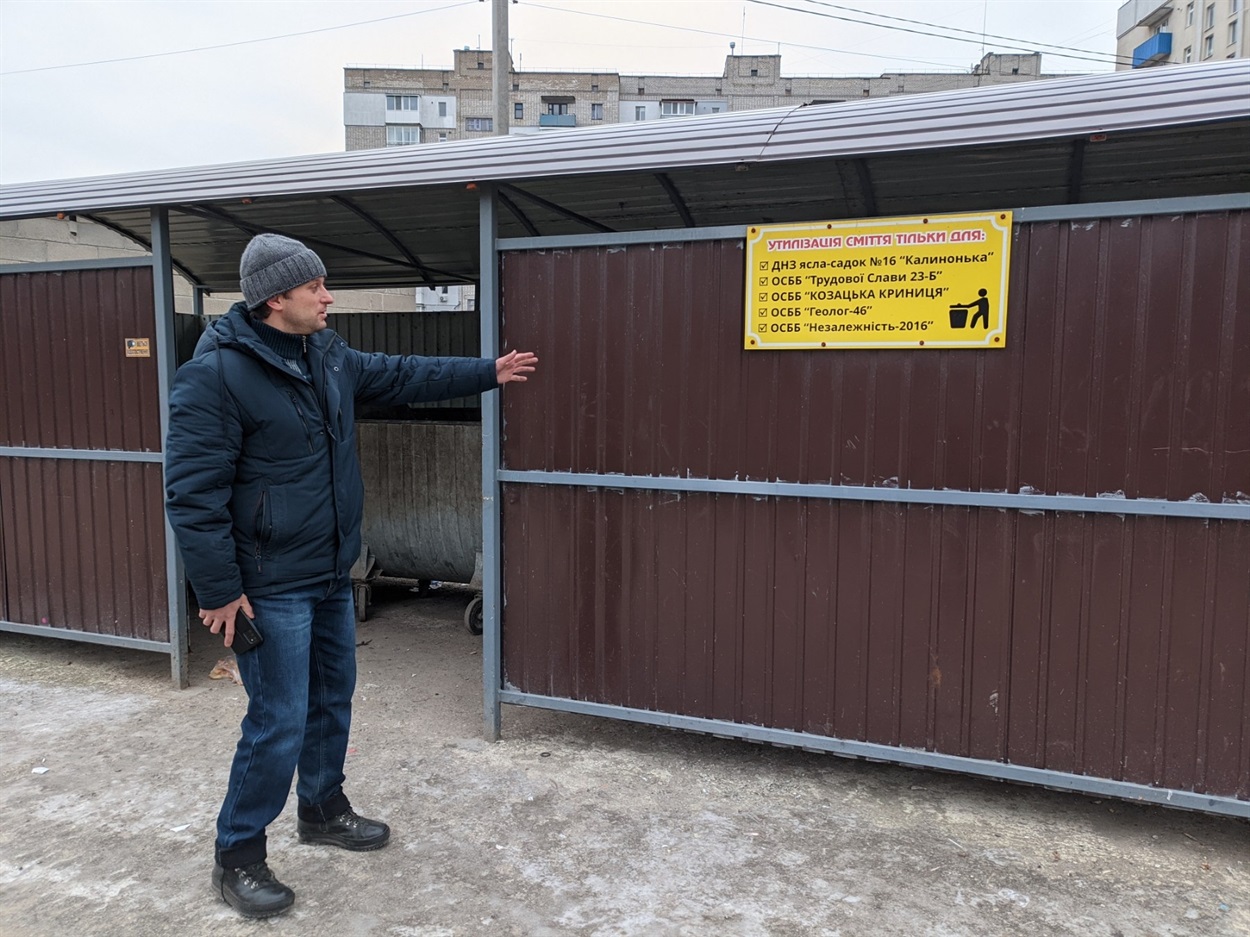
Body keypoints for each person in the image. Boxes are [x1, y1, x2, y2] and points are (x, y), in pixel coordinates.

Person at [164, 233, 537, 919]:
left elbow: (404, 375)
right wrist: (218, 590)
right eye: (316, 287)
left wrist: (489, 371)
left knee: (333, 698)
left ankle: (322, 808)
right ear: (278, 299)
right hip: (270, 582)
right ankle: (238, 853)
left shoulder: (326, 354)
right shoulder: (216, 375)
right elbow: (193, 491)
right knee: (277, 719)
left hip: (331, 569)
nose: (328, 296)